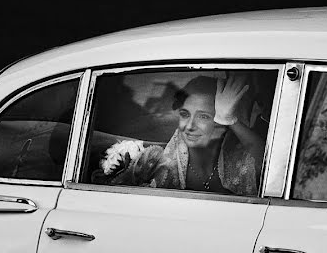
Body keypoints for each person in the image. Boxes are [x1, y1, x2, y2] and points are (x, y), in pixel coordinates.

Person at [96, 75, 265, 196]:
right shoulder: (152, 161)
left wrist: (230, 120)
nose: (190, 126)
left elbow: (270, 163)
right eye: (185, 114)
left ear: (219, 121)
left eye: (203, 116)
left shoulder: (237, 162)